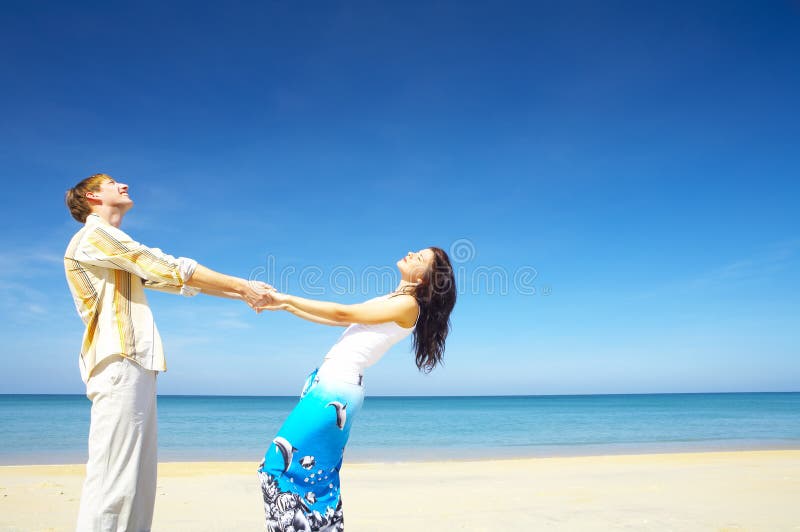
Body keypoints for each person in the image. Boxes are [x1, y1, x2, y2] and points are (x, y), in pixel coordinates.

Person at [63, 173, 271, 532]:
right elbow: (167, 266)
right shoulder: (95, 235)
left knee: (137, 484)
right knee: (114, 482)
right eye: (113, 183)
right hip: (119, 361)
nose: (124, 185)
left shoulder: (111, 248)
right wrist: (244, 286)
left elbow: (174, 282)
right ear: (93, 197)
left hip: (133, 362)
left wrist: (245, 294)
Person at [256, 247, 456, 531]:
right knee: (320, 478)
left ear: (425, 279)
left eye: (420, 258)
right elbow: (338, 319)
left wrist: (284, 299)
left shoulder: (408, 305)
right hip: (331, 385)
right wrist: (283, 305)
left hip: (336, 390)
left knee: (274, 467)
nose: (411, 253)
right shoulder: (395, 300)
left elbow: (341, 312)